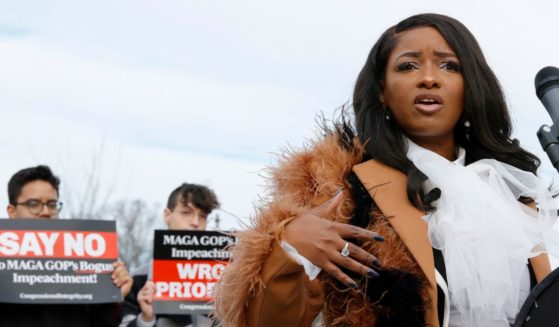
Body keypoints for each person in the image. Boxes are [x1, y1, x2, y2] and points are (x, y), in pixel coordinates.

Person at [213, 13, 558, 327]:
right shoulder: (338, 186)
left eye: (449, 66)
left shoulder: (511, 191)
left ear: (471, 86)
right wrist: (289, 249)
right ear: (381, 90)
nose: (428, 79)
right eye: (408, 66)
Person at [2, 165, 133, 327]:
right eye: (33, 204)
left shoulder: (83, 258)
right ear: (12, 211)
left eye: (51, 204)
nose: (45, 211)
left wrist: (113, 298)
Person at [120, 182, 220, 327]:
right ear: (167, 215)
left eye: (203, 216)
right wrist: (145, 319)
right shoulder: (137, 279)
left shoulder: (218, 283)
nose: (196, 222)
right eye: (186, 212)